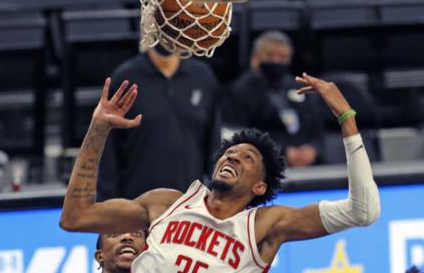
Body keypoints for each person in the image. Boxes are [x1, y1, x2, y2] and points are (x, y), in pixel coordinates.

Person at [60, 73, 380, 272]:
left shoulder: (264, 226)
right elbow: (75, 217)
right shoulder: (166, 203)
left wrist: (346, 119)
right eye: (229, 152)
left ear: (259, 186)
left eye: (247, 157)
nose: (233, 156)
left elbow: (363, 211)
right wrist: (98, 129)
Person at [97, 44, 221, 201]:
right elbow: (108, 151)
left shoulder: (203, 76)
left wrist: (218, 197)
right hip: (136, 209)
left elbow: (214, 146)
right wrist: (105, 208)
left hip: (188, 208)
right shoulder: (125, 78)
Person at [225, 31, 325, 167]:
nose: (276, 61)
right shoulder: (239, 91)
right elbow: (240, 136)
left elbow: (317, 128)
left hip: (310, 164)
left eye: (282, 57)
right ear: (255, 57)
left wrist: (314, 149)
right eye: (270, 56)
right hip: (264, 165)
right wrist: (282, 152)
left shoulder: (299, 86)